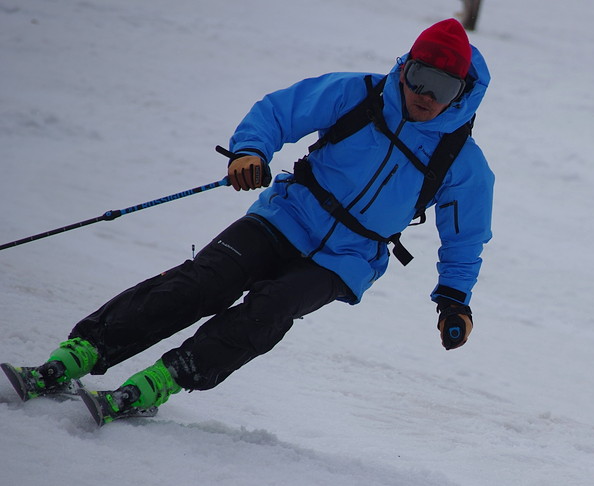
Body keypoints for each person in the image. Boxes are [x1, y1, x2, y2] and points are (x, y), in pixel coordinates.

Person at [2, 19, 494, 423]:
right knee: (204, 282)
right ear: (404, 68)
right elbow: (278, 111)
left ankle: (161, 381)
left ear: (461, 92)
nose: (426, 95)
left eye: (443, 87)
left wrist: (454, 302)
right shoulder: (359, 95)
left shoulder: (460, 161)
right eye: (419, 78)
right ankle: (81, 354)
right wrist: (250, 152)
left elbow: (464, 239)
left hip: (347, 258)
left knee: (269, 309)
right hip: (288, 213)